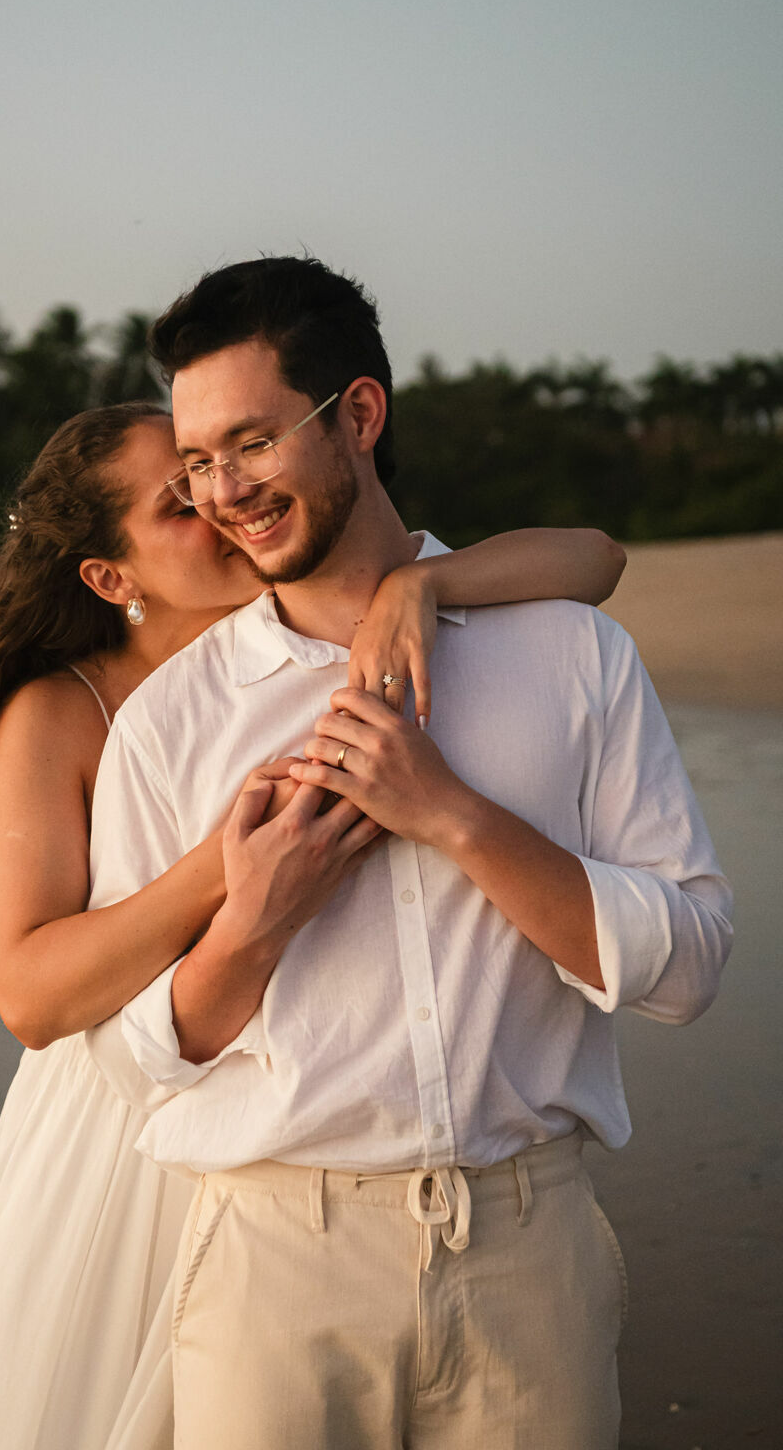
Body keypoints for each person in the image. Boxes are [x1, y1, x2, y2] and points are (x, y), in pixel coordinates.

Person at [0, 399, 628, 1450]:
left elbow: (593, 557)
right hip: (132, 1131)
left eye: (215, 469)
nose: (219, 504)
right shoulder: (68, 712)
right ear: (111, 577)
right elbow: (33, 995)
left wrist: (423, 582)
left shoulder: (336, 623)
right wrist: (227, 875)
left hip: (320, 1129)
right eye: (178, 503)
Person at [83, 256, 734, 1450]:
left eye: (252, 443)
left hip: (528, 1263)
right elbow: (132, 1068)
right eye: (195, 463)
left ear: (359, 416)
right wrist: (254, 921)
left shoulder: (570, 656)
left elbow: (690, 967)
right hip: (273, 1277)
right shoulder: (168, 724)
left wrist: (453, 815)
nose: (222, 490)